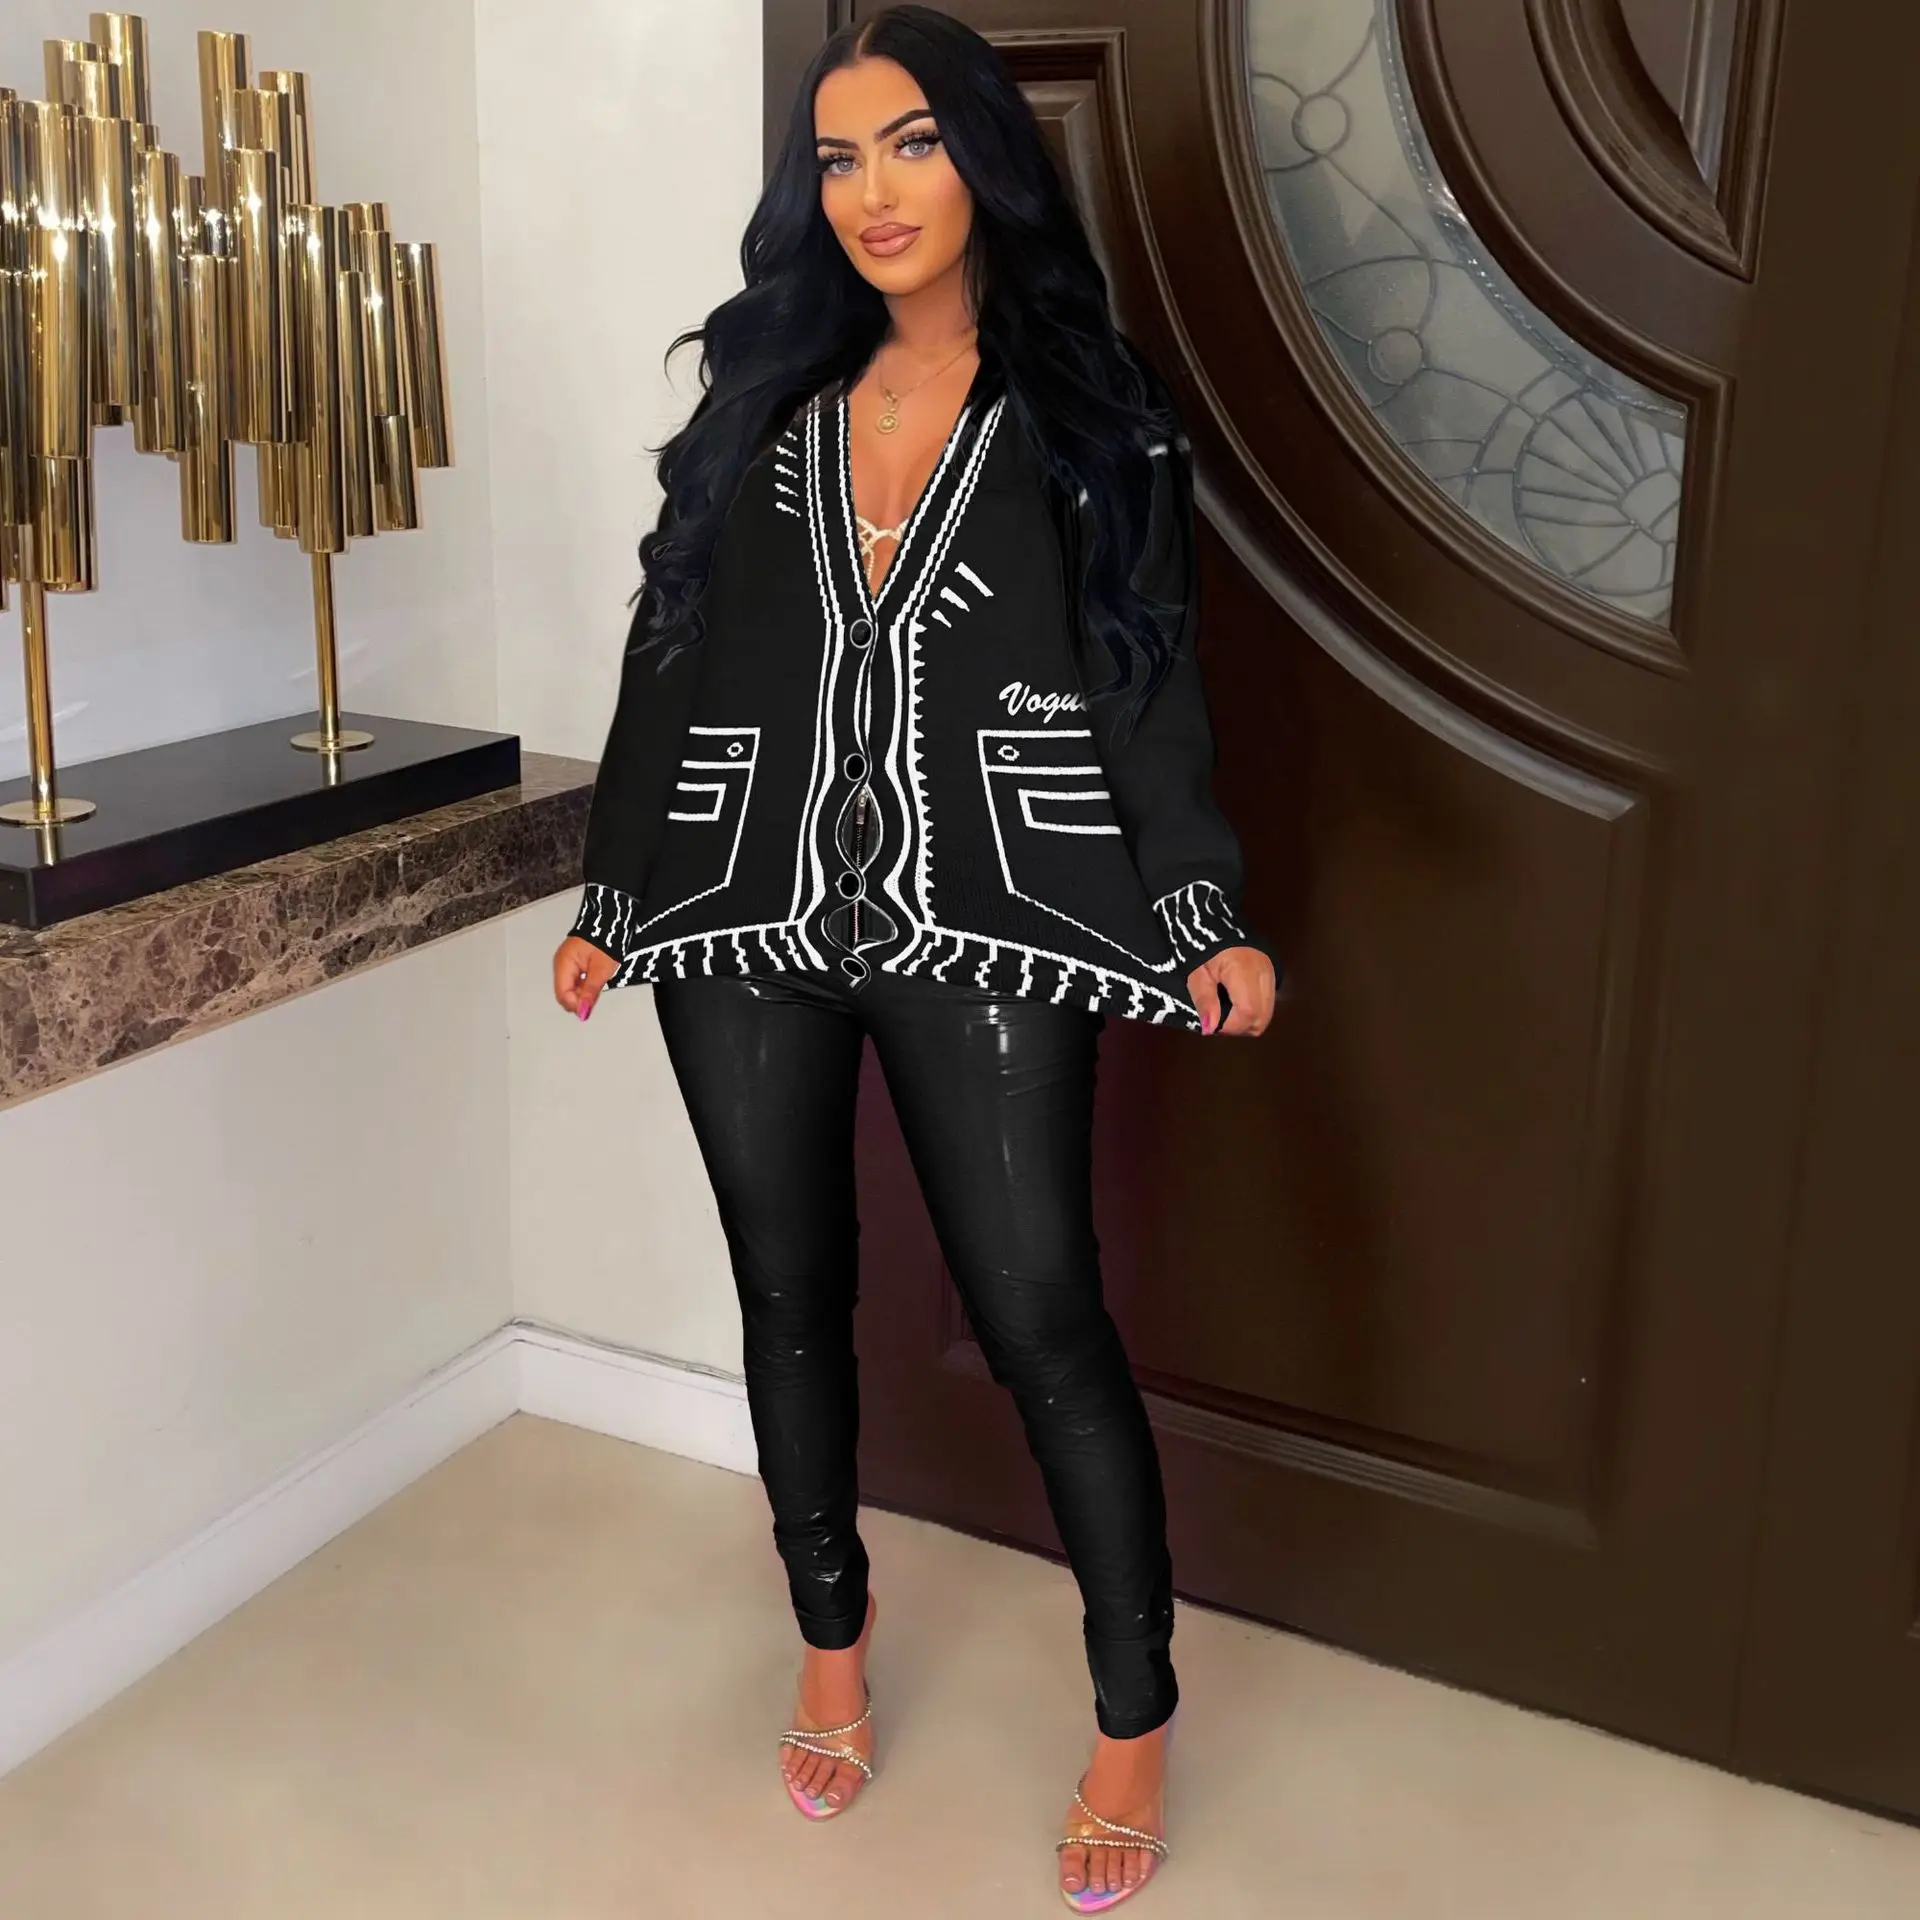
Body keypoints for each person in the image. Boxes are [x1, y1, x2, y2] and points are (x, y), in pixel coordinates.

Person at [551, 7, 1277, 1909]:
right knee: (787, 1293)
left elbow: (1146, 673)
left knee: (1042, 1316)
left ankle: (1132, 1721)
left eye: (913, 145)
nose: (872, 192)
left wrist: (1198, 905)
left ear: (984, 161)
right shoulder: (765, 401)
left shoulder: (1090, 412)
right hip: (740, 911)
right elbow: (668, 644)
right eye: (839, 157)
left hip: (1001, 913)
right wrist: (615, 892)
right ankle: (829, 1646)